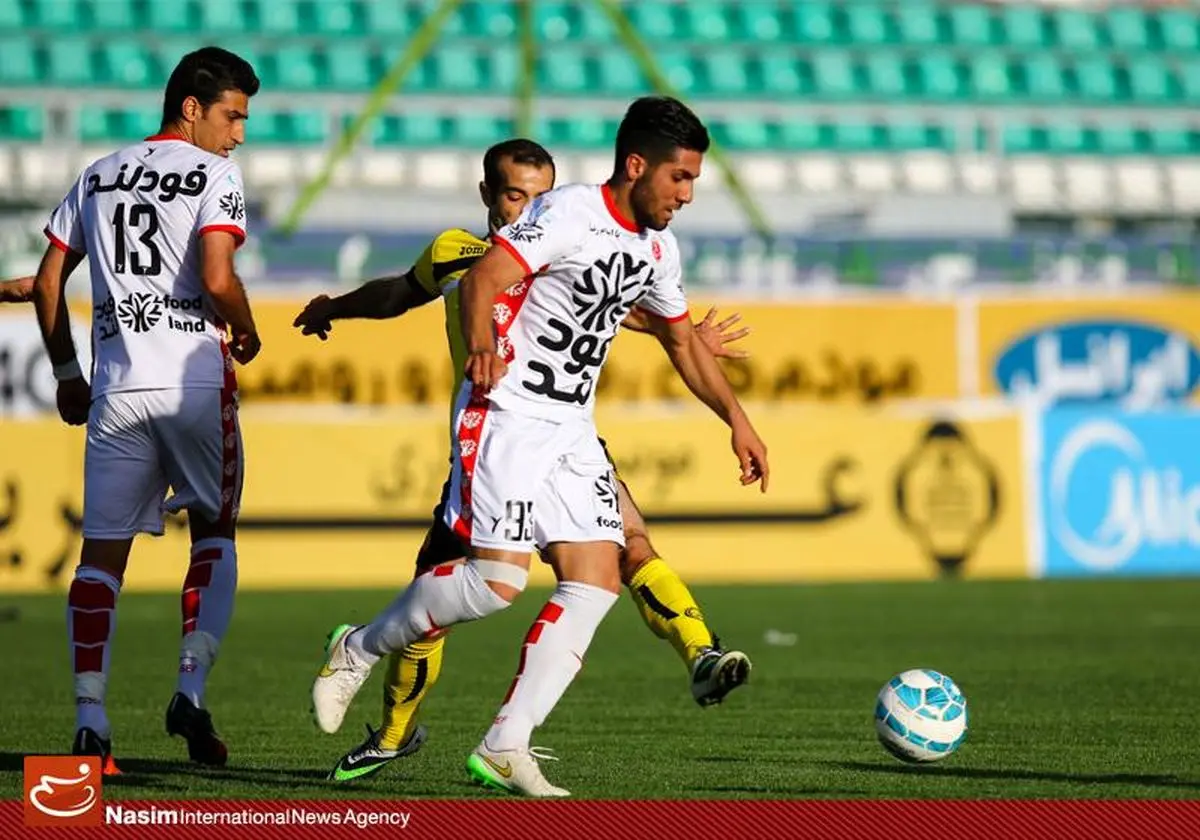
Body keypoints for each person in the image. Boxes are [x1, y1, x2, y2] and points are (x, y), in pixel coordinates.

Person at [310, 98, 768, 797]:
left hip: (570, 425)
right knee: (497, 585)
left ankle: (505, 745)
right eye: (679, 177)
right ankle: (357, 647)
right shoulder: (567, 214)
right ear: (637, 165)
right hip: (507, 415)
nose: (687, 194)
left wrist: (736, 419)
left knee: (597, 579)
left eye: (694, 181)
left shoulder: (657, 247)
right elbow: (486, 277)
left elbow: (677, 337)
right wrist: (486, 348)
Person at [30, 46, 261, 774]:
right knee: (214, 531)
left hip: (116, 387)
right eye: (232, 115)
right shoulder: (215, 174)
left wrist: (68, 373)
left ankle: (91, 718)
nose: (239, 134)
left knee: (101, 556)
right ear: (190, 108)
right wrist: (247, 324)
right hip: (193, 379)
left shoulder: (97, 174)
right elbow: (219, 278)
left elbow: (46, 283)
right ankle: (189, 689)